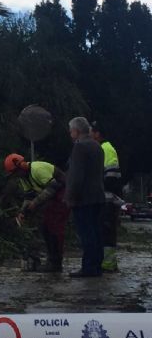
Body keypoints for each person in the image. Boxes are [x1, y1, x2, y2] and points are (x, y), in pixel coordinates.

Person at [4, 154, 69, 272]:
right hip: (51, 199)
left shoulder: (37, 169)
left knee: (54, 229)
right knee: (45, 227)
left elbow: (53, 187)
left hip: (62, 196)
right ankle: (51, 260)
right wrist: (22, 212)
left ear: (20, 167)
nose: (15, 176)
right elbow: (28, 196)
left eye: (15, 173)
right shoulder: (24, 178)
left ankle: (56, 262)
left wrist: (35, 203)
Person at [65, 117, 105, 278]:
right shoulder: (97, 146)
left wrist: (70, 196)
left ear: (76, 131)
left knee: (86, 233)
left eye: (71, 130)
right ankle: (96, 266)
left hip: (83, 197)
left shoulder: (80, 147)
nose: (70, 133)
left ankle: (88, 267)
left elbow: (76, 176)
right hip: (98, 195)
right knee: (96, 232)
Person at [91, 121, 124, 272]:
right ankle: (106, 262)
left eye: (91, 131)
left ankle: (108, 264)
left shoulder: (105, 149)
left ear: (97, 134)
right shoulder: (104, 148)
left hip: (107, 198)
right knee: (104, 230)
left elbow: (111, 177)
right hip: (105, 197)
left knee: (106, 230)